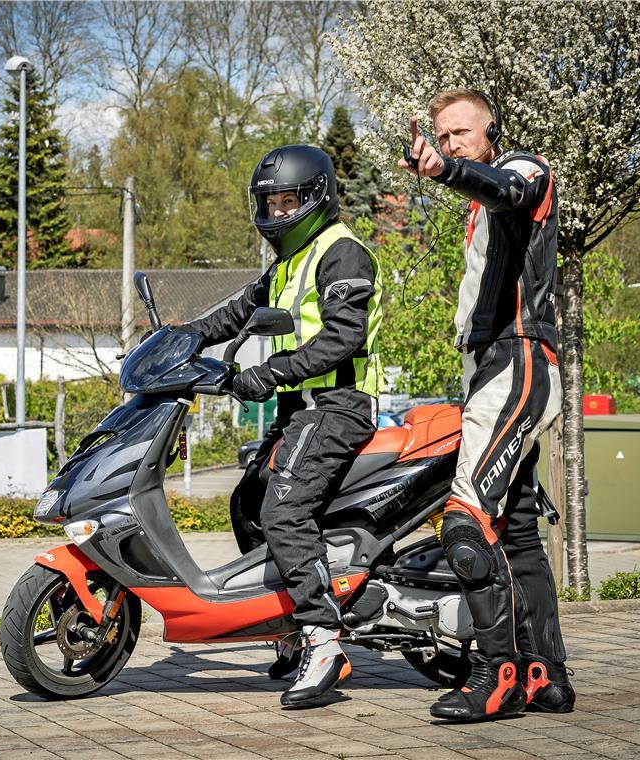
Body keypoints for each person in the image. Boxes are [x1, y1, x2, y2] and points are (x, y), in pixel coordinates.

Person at [397, 89, 574, 722]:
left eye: (461, 134)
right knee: (516, 531)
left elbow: (513, 189)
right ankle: (543, 675)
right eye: (442, 138)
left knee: (466, 523)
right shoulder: (478, 207)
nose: (450, 145)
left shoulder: (524, 170)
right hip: (494, 368)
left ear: (492, 131)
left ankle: (492, 677)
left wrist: (448, 172)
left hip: (516, 360)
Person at [184, 144, 384, 708]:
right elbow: (238, 311)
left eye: (286, 201)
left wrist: (269, 373)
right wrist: (185, 337)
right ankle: (288, 628)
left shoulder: (342, 253)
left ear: (316, 198)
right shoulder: (286, 265)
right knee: (248, 504)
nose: (274, 214)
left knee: (284, 509)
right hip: (300, 409)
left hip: (338, 406)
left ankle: (324, 642)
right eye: (267, 203)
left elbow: (343, 337)